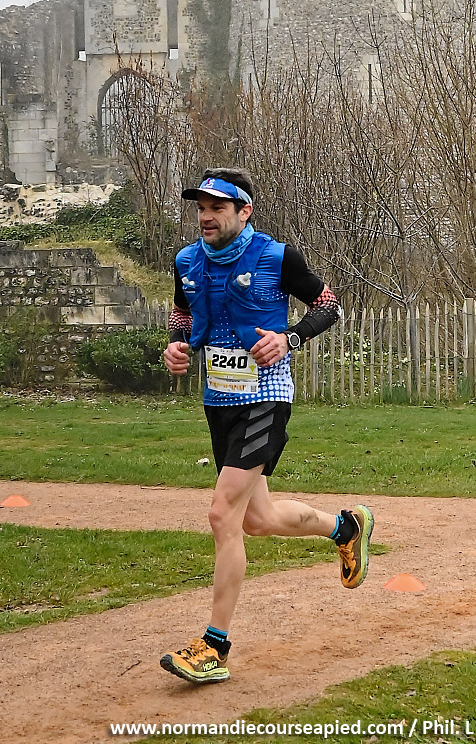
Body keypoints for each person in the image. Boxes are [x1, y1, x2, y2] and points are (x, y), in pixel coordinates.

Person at [160, 167, 374, 685]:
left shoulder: (277, 257)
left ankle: (214, 647)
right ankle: (345, 527)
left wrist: (289, 338)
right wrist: (176, 345)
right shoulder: (186, 261)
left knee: (222, 515)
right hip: (219, 400)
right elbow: (182, 314)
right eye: (200, 208)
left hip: (265, 398)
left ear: (244, 211)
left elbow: (330, 305)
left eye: (217, 208)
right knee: (257, 519)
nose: (206, 216)